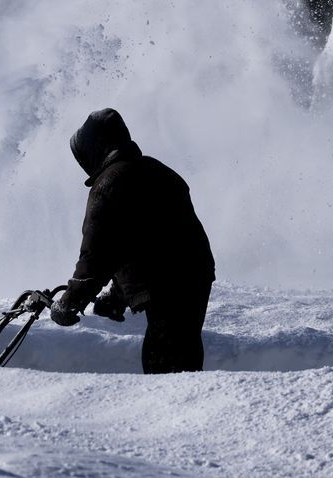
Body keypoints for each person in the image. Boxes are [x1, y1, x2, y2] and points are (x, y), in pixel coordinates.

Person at [49, 108, 215, 374]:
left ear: (95, 148)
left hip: (167, 282)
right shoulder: (158, 170)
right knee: (183, 354)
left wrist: (70, 302)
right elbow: (141, 243)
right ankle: (186, 405)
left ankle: (177, 411)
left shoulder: (108, 184)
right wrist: (118, 296)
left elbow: (97, 254)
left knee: (165, 364)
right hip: (195, 274)